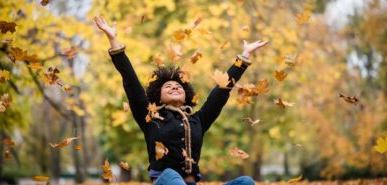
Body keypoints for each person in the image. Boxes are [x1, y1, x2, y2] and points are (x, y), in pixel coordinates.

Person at [94, 16, 268, 185]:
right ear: (158, 95)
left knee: (246, 181)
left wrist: (243, 58)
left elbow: (220, 93)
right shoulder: (150, 117)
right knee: (171, 175)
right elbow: (131, 81)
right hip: (165, 182)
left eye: (178, 86)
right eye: (168, 86)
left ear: (186, 94)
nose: (175, 87)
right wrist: (113, 41)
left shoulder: (198, 120)